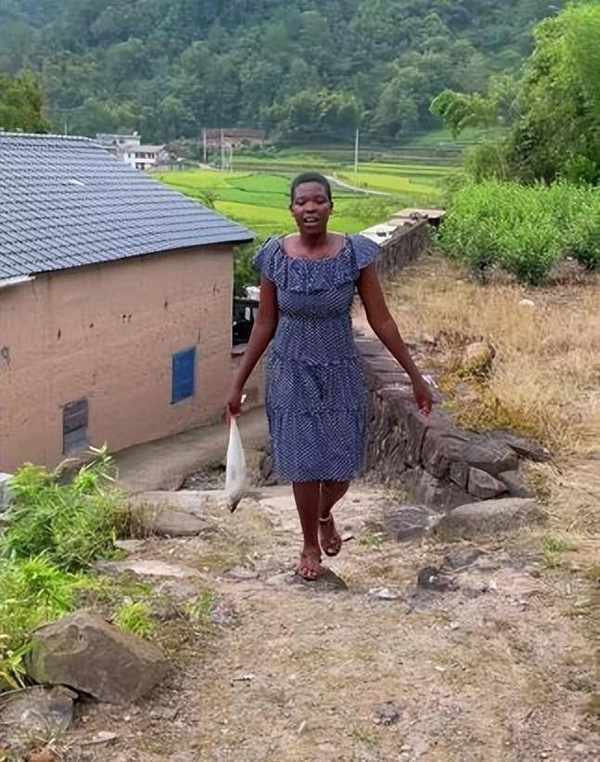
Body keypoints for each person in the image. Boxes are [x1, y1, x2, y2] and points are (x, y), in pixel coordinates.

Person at [227, 172, 433, 580]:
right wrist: (238, 383)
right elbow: (264, 323)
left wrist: (414, 376)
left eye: (318, 201)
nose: (310, 208)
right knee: (304, 465)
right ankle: (308, 545)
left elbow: (381, 319)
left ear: (331, 206)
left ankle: (324, 513)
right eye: (301, 202)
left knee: (340, 469)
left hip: (340, 371)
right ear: (291, 208)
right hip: (290, 372)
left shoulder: (354, 255)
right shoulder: (275, 257)